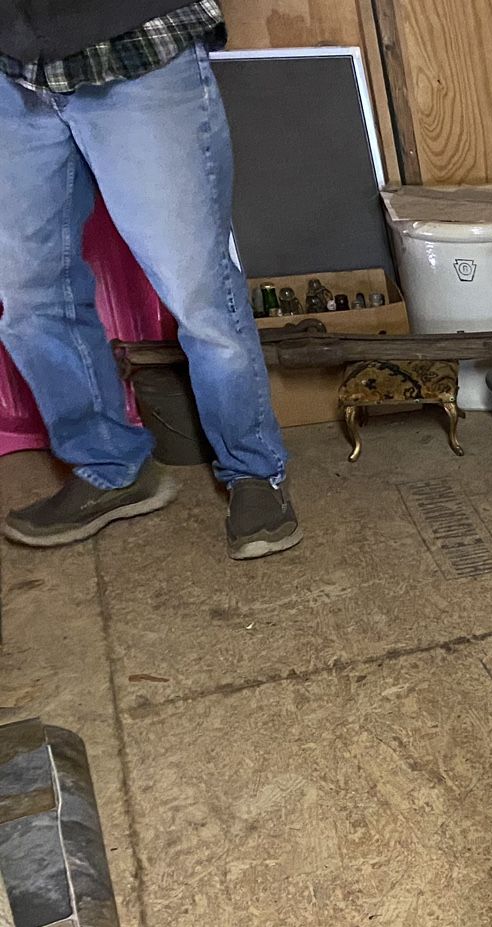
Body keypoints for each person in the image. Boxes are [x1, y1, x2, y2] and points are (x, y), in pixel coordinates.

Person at [0, 1, 299, 559]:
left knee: (198, 292)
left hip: (132, 42)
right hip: (10, 68)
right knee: (29, 297)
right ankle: (111, 467)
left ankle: (255, 472)